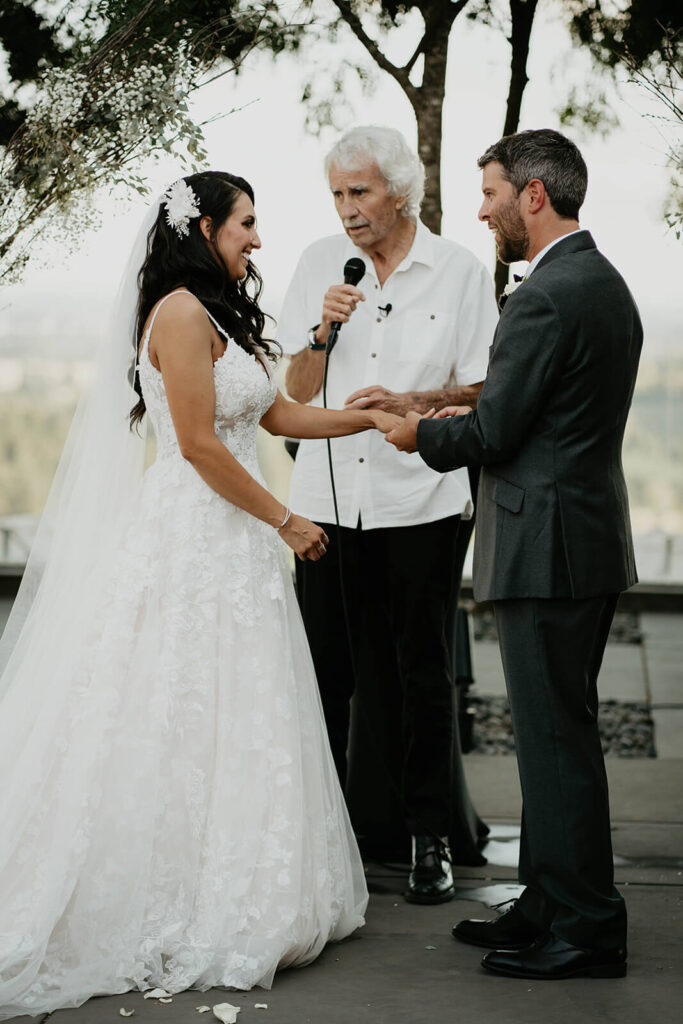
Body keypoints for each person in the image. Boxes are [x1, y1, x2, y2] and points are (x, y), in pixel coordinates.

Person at [0, 171, 402, 1019]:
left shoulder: (216, 311)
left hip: (236, 541)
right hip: (194, 535)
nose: (257, 238)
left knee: (238, 706)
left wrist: (363, 421)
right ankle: (164, 893)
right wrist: (286, 519)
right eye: (246, 223)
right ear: (205, 227)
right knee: (172, 703)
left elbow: (273, 417)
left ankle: (238, 879)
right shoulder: (179, 314)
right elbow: (196, 446)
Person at [386, 129, 641, 978]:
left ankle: (588, 927)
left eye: (490, 190)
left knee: (557, 741)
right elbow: (530, 392)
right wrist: (434, 396)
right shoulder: (597, 282)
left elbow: (497, 430)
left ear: (533, 194)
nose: (483, 206)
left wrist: (411, 431)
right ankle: (543, 901)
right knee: (547, 735)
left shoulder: (542, 295)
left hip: (547, 547)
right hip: (580, 537)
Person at [278, 126, 498, 902]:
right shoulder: (315, 268)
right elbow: (296, 391)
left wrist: (412, 401)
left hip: (422, 501)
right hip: (325, 505)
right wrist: (321, 330)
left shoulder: (460, 273)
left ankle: (428, 838)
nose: (346, 210)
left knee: (420, 673)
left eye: (360, 192)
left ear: (399, 190)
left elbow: (481, 387)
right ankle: (322, 842)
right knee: (325, 672)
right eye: (337, 194)